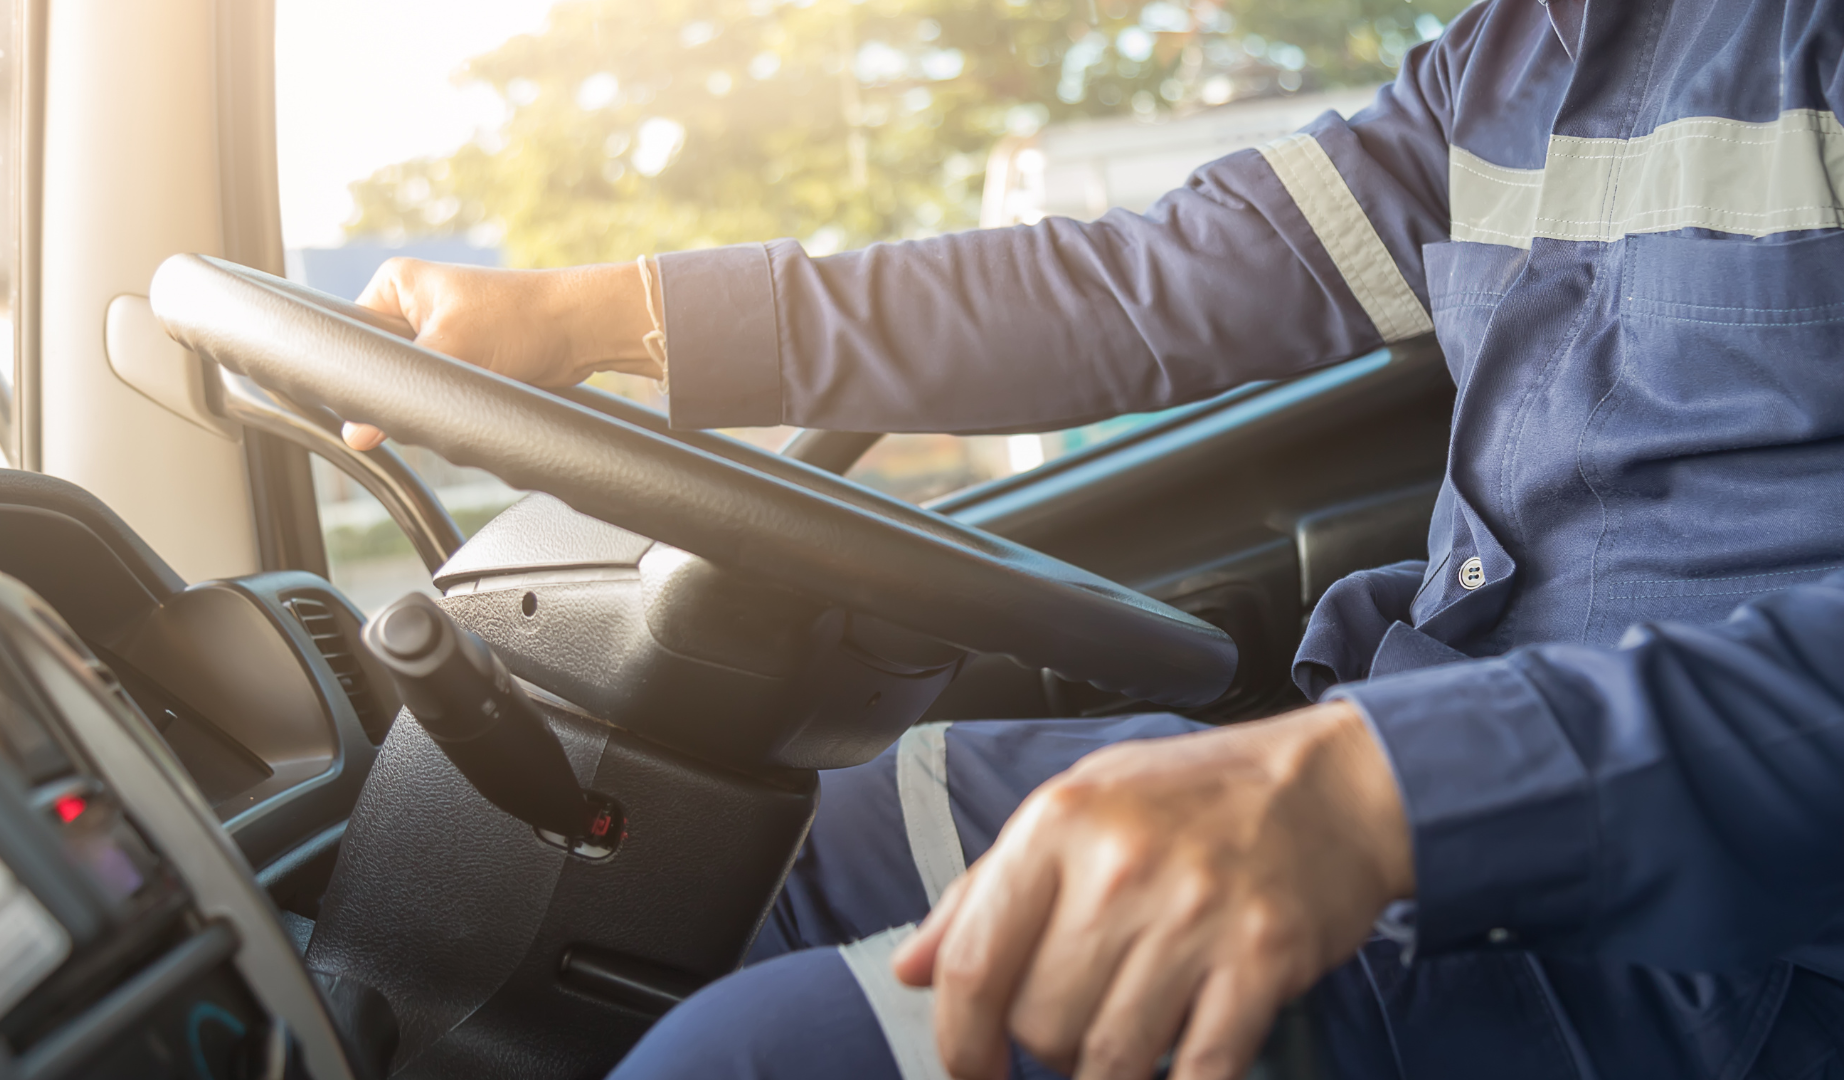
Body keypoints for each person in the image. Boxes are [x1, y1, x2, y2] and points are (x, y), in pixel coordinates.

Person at [342, 0, 1844, 1076]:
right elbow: (1144, 283)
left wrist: (1379, 791)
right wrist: (611, 315)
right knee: (761, 839)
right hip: (1423, 758)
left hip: (1730, 932)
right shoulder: (1510, 61)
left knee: (764, 1055)